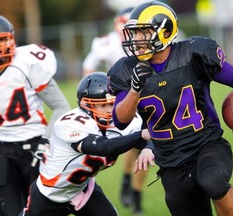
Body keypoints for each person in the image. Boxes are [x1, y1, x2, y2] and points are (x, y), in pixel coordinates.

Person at [107, 1, 233, 216]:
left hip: (206, 144)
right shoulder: (126, 70)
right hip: (169, 157)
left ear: (164, 32)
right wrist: (134, 90)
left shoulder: (194, 54)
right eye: (134, 34)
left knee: (213, 181)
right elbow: (121, 120)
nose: (136, 40)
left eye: (143, 33)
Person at [20, 72, 154, 216]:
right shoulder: (69, 124)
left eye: (113, 104)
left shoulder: (124, 119)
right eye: (102, 105)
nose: (110, 110)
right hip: (50, 194)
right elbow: (103, 147)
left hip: (83, 189)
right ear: (85, 105)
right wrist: (141, 135)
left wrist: (148, 148)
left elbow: (155, 136)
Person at [0, 14, 70, 216]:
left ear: (12, 38)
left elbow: (60, 106)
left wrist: (46, 141)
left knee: (47, 210)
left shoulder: (28, 63)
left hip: (35, 143)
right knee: (9, 211)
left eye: (0, 39)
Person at [82, 6, 148, 214]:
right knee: (135, 141)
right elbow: (89, 66)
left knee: (142, 143)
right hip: (119, 98)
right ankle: (128, 181)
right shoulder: (109, 43)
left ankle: (135, 194)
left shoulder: (146, 39)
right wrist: (95, 91)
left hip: (147, 95)